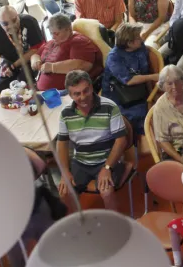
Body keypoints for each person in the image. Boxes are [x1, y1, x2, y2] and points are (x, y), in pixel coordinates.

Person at [56, 70, 131, 213]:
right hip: (81, 161)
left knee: (106, 192)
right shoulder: (65, 114)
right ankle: (77, 224)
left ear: (91, 87)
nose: (83, 97)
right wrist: (65, 172)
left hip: (107, 159)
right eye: (77, 94)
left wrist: (107, 168)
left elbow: (121, 140)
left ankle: (116, 226)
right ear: (70, 95)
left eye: (86, 91)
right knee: (64, 192)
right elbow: (62, 144)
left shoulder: (109, 106)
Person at [101, 23, 157, 136]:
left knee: (151, 115)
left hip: (139, 92)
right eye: (138, 37)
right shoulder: (114, 57)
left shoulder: (140, 48)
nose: (141, 39)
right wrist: (153, 76)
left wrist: (151, 94)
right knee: (124, 124)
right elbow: (128, 80)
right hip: (118, 96)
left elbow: (144, 71)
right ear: (129, 43)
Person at [31, 14, 103, 91]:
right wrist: (35, 61)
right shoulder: (52, 42)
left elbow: (82, 65)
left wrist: (52, 67)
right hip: (42, 92)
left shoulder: (78, 41)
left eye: (56, 33)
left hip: (67, 93)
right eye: (51, 33)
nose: (53, 37)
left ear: (68, 29)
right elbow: (35, 54)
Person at [0, 6, 46, 91]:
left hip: (31, 59)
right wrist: (2, 62)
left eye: (14, 21)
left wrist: (13, 66)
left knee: (24, 80)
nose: (11, 26)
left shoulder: (29, 21)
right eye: (5, 24)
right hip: (11, 64)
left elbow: (36, 48)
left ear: (18, 16)